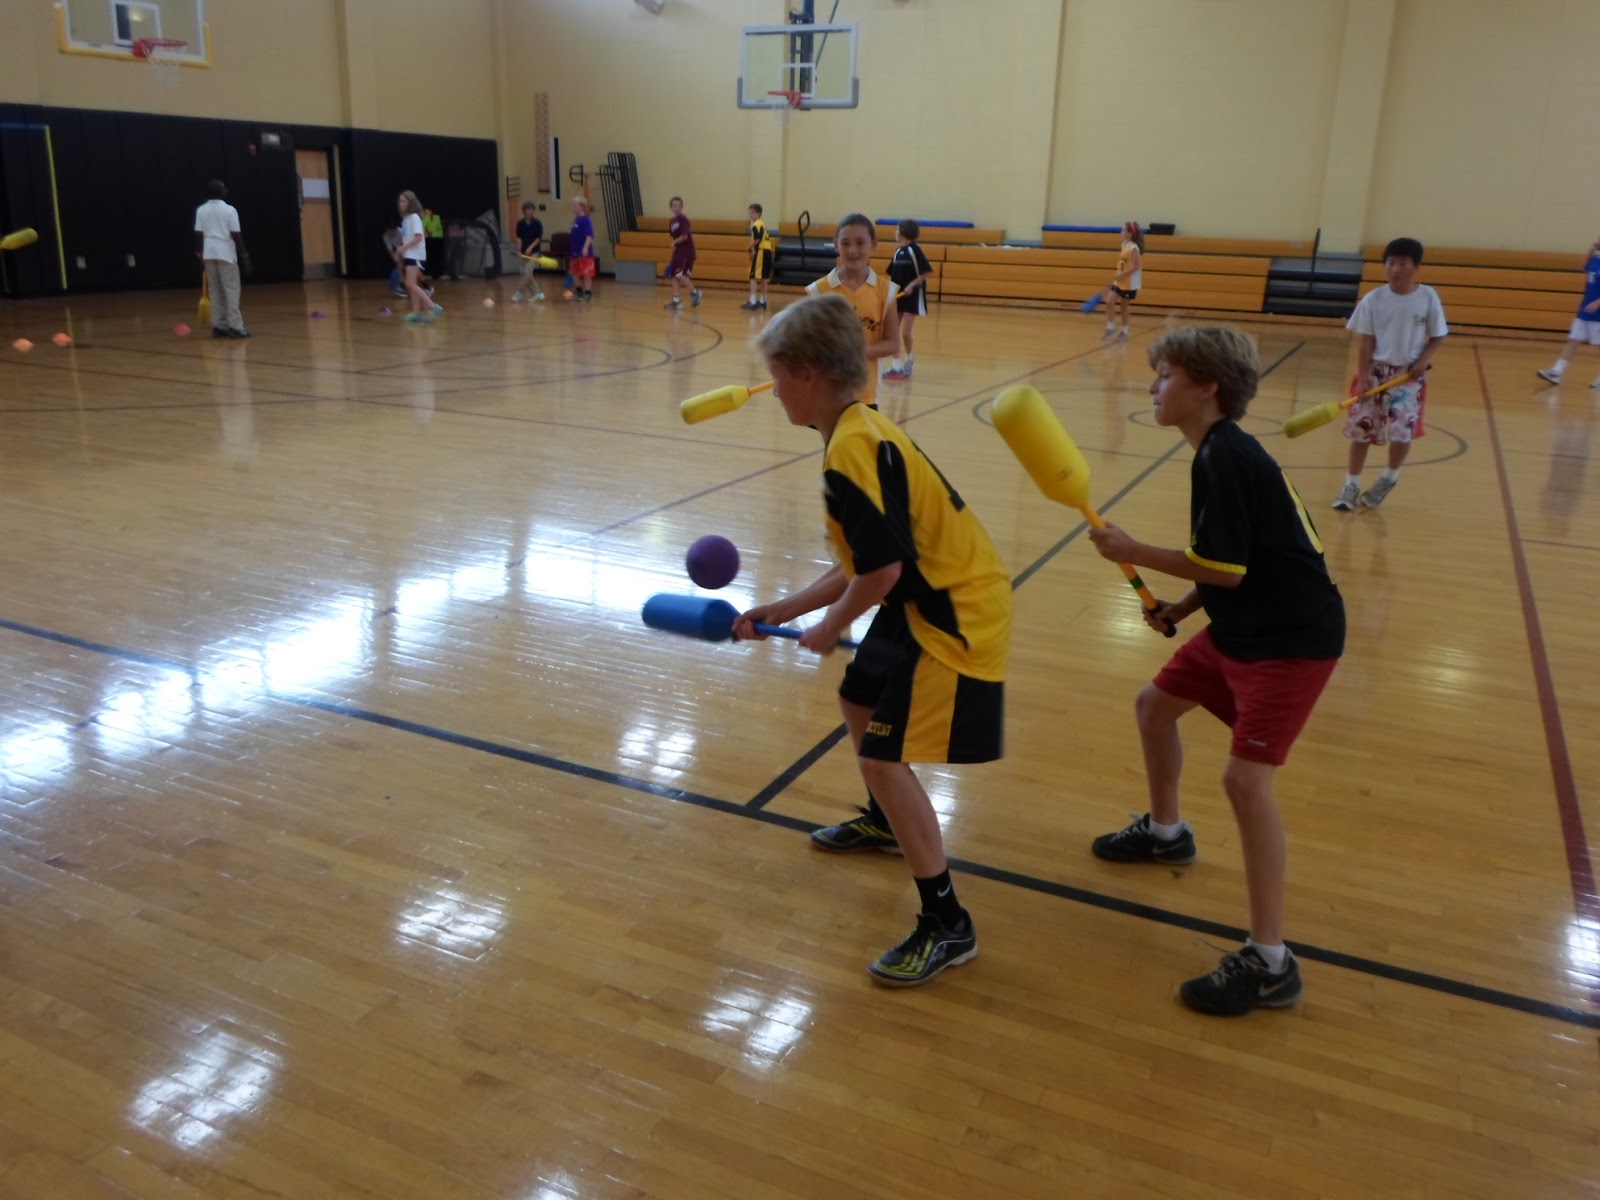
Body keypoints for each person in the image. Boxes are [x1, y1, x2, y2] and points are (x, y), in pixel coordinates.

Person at [733, 294, 1010, 986]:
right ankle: (889, 824)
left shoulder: (851, 449)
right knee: (860, 699)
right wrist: (789, 605)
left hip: (953, 611)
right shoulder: (859, 428)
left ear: (806, 374)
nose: (772, 392)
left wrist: (830, 625)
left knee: (885, 758)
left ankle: (948, 924)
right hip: (927, 593)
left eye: (775, 376)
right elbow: (864, 559)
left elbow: (880, 570)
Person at [1086, 325, 1345, 1017]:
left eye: (1164, 374)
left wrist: (1133, 548)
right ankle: (1167, 835)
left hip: (1290, 641)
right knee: (1153, 706)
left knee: (1245, 782)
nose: (1152, 386)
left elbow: (1229, 566)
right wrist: (1185, 603)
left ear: (1207, 387)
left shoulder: (1226, 457)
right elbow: (1235, 562)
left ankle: (1270, 961)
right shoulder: (1218, 455)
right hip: (1241, 624)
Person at [1333, 236, 1447, 510]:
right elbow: (1366, 342)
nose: (1395, 269)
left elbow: (1438, 336)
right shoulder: (1374, 299)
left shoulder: (1427, 297)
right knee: (1361, 431)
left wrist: (1423, 361)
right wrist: (1362, 377)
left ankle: (1389, 477)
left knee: (1401, 431)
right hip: (1375, 372)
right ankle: (1351, 484)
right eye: (1391, 263)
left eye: (1403, 263)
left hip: (1409, 376)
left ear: (1415, 267)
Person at [804, 213, 902, 411]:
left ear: (873, 244)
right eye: (846, 243)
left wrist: (855, 354)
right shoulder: (819, 290)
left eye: (860, 242)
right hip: (828, 390)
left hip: (866, 393)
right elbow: (809, 343)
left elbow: (892, 344)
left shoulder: (886, 291)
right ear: (836, 246)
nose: (853, 250)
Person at [1536, 236, 1600, 387]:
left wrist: (1597, 303)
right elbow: (1583, 265)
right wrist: (1592, 248)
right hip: (1584, 310)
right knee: (1573, 340)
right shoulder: (1595, 261)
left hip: (1598, 314)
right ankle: (1557, 372)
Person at [193, 179, 251, 339]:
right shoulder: (230, 210)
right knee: (231, 290)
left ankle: (219, 326)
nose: (226, 191)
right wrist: (245, 256)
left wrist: (200, 253)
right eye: (224, 189)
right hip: (226, 253)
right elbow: (236, 235)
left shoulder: (201, 210)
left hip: (209, 253)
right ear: (220, 192)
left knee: (214, 290)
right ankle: (236, 327)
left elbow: (198, 234)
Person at [884, 218, 935, 381]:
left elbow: (926, 272)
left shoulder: (914, 250)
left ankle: (910, 358)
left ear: (903, 232)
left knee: (905, 333)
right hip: (898, 297)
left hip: (912, 296)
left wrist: (911, 285)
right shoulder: (898, 252)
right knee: (893, 331)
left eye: (897, 229)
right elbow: (892, 275)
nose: (895, 232)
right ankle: (896, 366)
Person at [396, 190, 443, 323]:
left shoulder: (414, 218)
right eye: (400, 201)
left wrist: (404, 248)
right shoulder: (405, 219)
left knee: (409, 283)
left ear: (410, 203)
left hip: (415, 255)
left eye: (403, 201)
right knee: (413, 284)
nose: (401, 204)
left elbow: (419, 238)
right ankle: (416, 313)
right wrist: (401, 250)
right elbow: (407, 238)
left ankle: (432, 306)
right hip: (409, 255)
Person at [1102, 220, 1144, 341]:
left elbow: (1136, 267)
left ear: (1130, 233)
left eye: (1123, 230)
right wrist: (1119, 274)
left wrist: (1123, 274)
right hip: (1120, 280)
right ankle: (1111, 326)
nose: (1121, 232)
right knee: (1110, 301)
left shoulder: (1134, 248)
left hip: (1130, 282)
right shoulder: (1124, 244)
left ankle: (1125, 331)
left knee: (1123, 306)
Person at [664, 195, 702, 310]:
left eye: (678, 205)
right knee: (673, 275)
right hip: (678, 251)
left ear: (681, 207)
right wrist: (675, 247)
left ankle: (695, 292)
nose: (676, 208)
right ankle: (676, 301)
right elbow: (674, 236)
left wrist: (675, 242)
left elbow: (684, 236)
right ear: (670, 207)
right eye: (674, 205)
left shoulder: (683, 219)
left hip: (686, 251)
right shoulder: (672, 221)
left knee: (680, 274)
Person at [741, 203, 776, 311]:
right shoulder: (762, 224)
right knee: (764, 278)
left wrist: (748, 248)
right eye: (749, 212)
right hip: (768, 251)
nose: (750, 215)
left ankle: (752, 301)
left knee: (753, 277)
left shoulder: (756, 224)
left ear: (759, 213)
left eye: (753, 212)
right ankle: (763, 301)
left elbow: (757, 239)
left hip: (762, 252)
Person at [513, 201, 545, 303]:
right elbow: (519, 238)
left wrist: (530, 248)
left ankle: (520, 293)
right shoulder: (520, 223)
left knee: (527, 272)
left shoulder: (537, 223)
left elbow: (538, 238)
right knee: (526, 274)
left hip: (534, 252)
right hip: (523, 252)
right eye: (527, 210)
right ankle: (538, 293)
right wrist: (519, 250)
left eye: (531, 209)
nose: (530, 212)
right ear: (524, 211)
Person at [568, 196, 597, 302]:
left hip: (584, 252)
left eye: (575, 206)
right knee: (575, 273)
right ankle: (579, 293)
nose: (573, 208)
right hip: (574, 251)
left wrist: (585, 247)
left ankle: (588, 294)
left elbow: (589, 235)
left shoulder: (586, 220)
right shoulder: (575, 220)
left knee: (586, 273)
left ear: (581, 207)